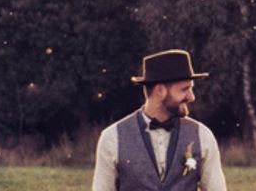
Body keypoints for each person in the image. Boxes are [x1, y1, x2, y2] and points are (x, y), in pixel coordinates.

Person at [92, 49, 227, 191]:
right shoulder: (112, 138)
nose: (191, 97)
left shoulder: (203, 135)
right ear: (160, 90)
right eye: (185, 89)